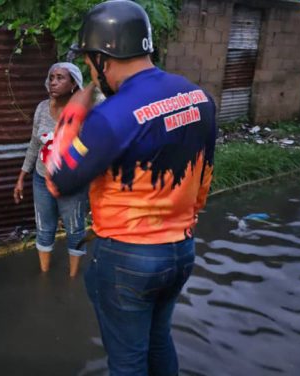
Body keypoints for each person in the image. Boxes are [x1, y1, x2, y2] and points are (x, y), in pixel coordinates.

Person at [46, 1, 217, 375]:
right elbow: (204, 177)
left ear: (103, 56)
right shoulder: (199, 98)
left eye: (90, 62)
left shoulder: (111, 116)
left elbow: (58, 178)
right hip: (181, 252)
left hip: (128, 258)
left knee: (127, 361)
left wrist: (73, 114)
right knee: (159, 342)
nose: (91, 70)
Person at [13, 62, 88, 278]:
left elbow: (91, 150)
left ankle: (73, 277)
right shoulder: (41, 109)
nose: (53, 82)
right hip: (41, 179)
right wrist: (21, 177)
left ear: (74, 83)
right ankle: (44, 275)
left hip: (71, 183)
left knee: (75, 229)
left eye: (60, 78)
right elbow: (34, 145)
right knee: (45, 229)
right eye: (52, 77)